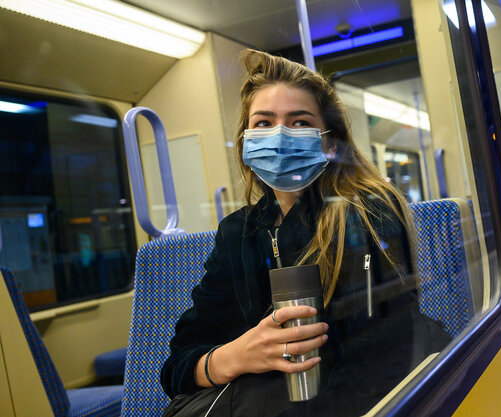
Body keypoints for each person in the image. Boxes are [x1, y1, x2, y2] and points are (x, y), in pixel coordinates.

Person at [160, 49, 450, 416]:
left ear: (329, 144)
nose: (280, 136)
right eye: (264, 123)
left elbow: (378, 367)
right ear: (246, 138)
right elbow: (176, 367)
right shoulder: (237, 232)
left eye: (298, 122)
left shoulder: (365, 214)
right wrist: (235, 356)